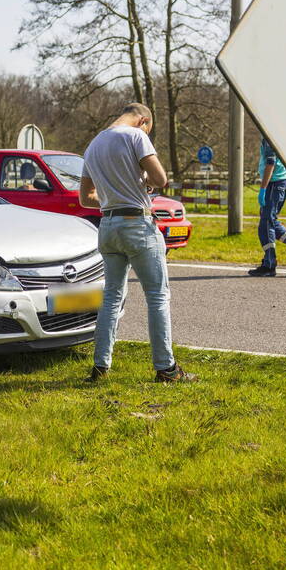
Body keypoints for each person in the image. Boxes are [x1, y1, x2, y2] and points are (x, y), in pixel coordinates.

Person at [79, 103, 194, 383]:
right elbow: (160, 179)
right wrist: (144, 182)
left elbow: (85, 198)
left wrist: (112, 197)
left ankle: (100, 366)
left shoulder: (94, 145)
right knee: (157, 296)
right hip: (137, 225)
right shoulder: (135, 136)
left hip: (108, 226)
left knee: (111, 297)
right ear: (143, 120)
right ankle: (166, 369)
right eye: (149, 129)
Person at [248, 137, 286, 277]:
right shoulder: (273, 132)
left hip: (274, 184)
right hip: (279, 183)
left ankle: (269, 264)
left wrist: (263, 189)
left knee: (266, 224)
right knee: (271, 221)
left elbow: (271, 164)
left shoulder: (268, 136)